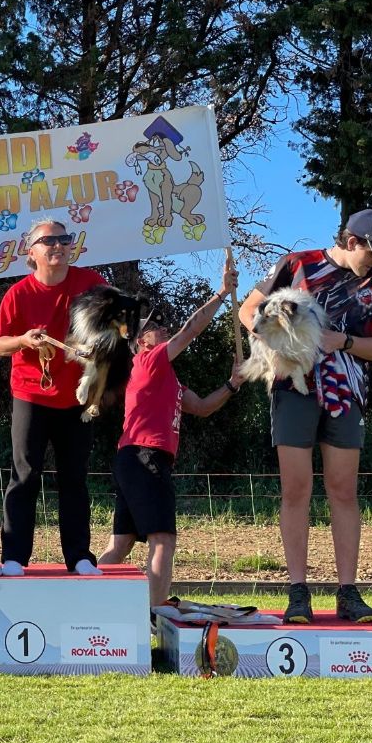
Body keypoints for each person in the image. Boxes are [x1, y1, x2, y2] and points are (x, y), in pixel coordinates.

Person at [239, 209, 372, 624]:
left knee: (343, 490)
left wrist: (342, 341)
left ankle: (348, 592)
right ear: (351, 241)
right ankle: (298, 592)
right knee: (296, 489)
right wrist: (280, 344)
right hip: (293, 389)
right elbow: (248, 312)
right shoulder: (298, 264)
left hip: (348, 396)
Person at [98, 258, 242, 606]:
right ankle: (157, 613)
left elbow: (203, 407)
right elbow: (190, 331)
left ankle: (79, 597)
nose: (162, 328)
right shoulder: (148, 362)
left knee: (121, 543)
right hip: (145, 457)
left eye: (163, 324)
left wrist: (232, 385)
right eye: (154, 326)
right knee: (163, 540)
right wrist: (223, 292)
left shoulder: (168, 377)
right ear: (139, 341)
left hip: (135, 459)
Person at [0, 218, 109, 576]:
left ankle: (79, 557)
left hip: (77, 397)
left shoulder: (91, 282)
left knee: (74, 478)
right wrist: (24, 340)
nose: (58, 246)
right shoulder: (18, 294)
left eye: (63, 239)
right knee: (25, 476)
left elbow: (111, 322)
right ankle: (14, 557)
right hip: (31, 394)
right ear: (32, 252)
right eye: (49, 241)